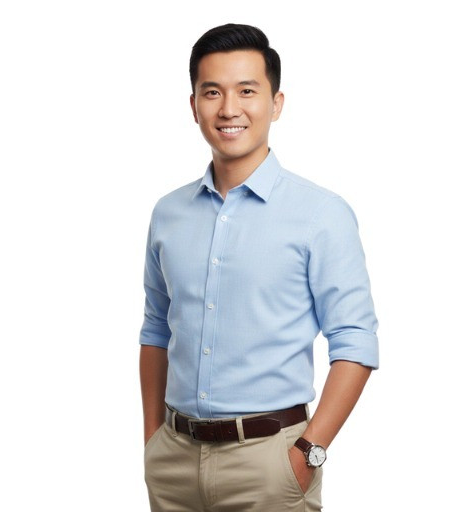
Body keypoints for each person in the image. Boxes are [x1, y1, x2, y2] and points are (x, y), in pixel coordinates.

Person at [139, 23, 379, 512]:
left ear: (276, 103)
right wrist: (152, 441)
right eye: (212, 92)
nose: (229, 108)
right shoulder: (168, 213)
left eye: (247, 91)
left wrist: (308, 452)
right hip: (173, 461)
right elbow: (156, 329)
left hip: (271, 464)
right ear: (194, 106)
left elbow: (355, 340)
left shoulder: (321, 214)